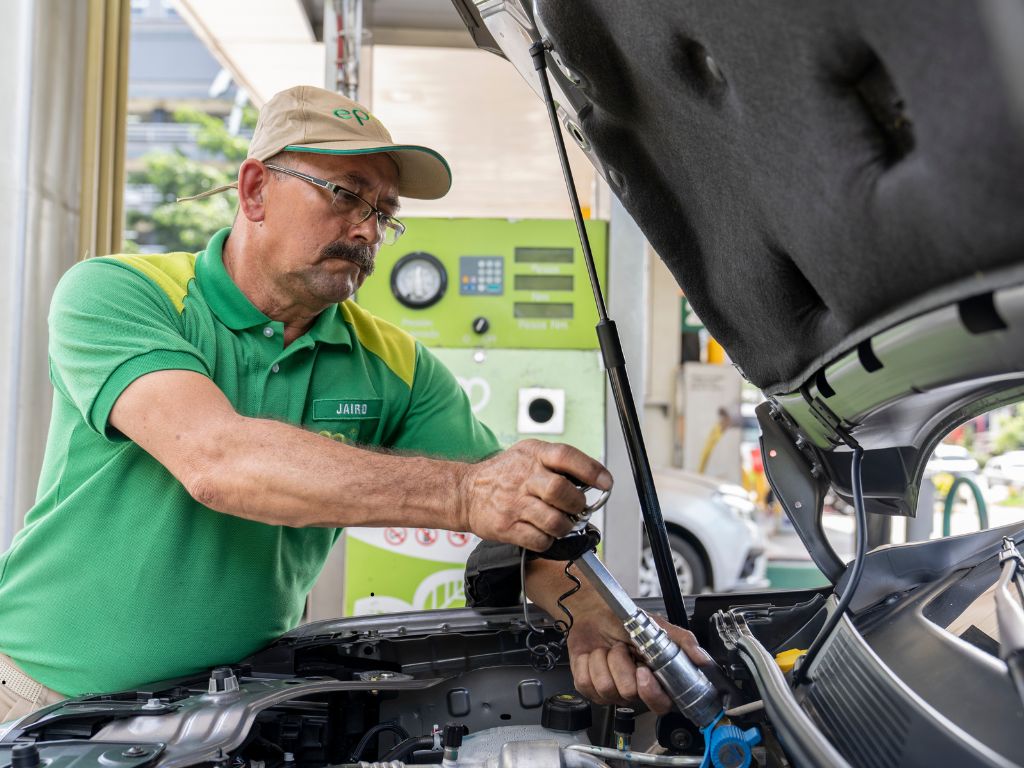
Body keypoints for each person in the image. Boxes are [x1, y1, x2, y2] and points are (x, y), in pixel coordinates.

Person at [0, 85, 705, 722]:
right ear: (254, 191)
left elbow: (517, 518)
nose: (367, 231)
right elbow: (218, 461)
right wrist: (463, 493)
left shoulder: (393, 364)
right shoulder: (122, 294)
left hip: (228, 707)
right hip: (42, 698)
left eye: (383, 213)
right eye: (345, 195)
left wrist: (592, 616)